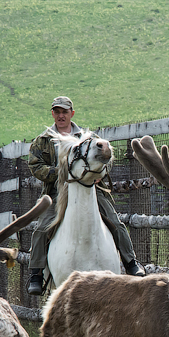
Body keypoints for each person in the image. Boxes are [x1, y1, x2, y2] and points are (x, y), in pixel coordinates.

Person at [25, 96, 145, 295]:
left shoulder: (88, 138)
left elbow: (104, 160)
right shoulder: (43, 140)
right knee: (42, 227)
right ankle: (36, 273)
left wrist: (98, 175)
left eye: (65, 112)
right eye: (57, 112)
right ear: (53, 114)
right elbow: (35, 166)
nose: (61, 115)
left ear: (72, 113)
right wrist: (61, 173)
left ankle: (130, 262)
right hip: (57, 190)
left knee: (115, 221)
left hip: (88, 185)